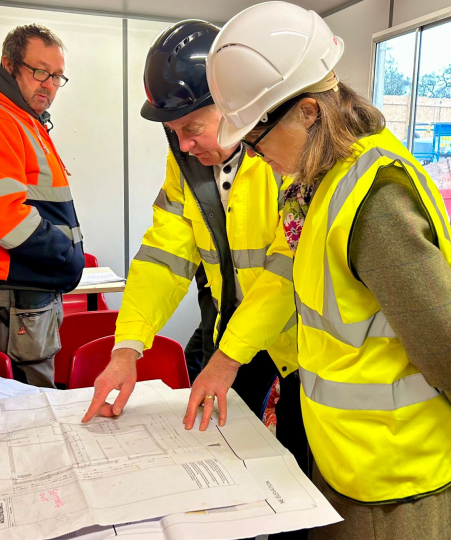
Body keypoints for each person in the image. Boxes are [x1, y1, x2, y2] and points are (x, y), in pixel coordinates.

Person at [196, 3, 451, 539]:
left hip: (397, 481)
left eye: (256, 136)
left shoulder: (376, 198)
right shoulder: (315, 187)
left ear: (309, 112)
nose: (251, 153)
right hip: (343, 461)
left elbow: (446, 337)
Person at [81, 18, 309, 502]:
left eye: (192, 129)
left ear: (234, 106)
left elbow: (283, 274)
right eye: (174, 133)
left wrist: (226, 358)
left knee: (296, 473)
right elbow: (162, 257)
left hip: (304, 350)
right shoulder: (186, 161)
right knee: (231, 467)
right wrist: (128, 348)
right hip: (237, 335)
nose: (183, 145)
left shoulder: (287, 159)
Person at [0, 24, 84, 388]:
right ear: (9, 65)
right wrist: (66, 252)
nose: (49, 85)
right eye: (40, 71)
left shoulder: (20, 116)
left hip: (22, 292)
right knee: (21, 415)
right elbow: (6, 219)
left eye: (57, 76)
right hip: (7, 296)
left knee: (30, 409)